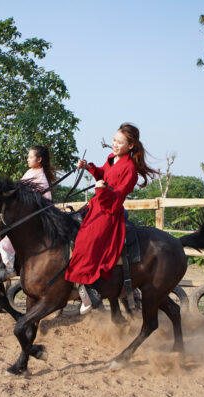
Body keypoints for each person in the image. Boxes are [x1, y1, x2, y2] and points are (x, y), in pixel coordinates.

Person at [66, 123, 158, 314]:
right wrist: (89, 167)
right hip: (97, 204)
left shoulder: (130, 170)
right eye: (114, 140)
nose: (114, 144)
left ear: (131, 146)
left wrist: (102, 190)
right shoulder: (111, 158)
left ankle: (90, 290)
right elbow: (103, 173)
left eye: (119, 142)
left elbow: (117, 198)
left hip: (109, 211)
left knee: (87, 240)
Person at [0, 145, 55, 281]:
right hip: (26, 215)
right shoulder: (31, 172)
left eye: (30, 157)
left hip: (34, 219)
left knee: (7, 239)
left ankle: (10, 268)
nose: (27, 159)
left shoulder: (39, 177)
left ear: (39, 159)